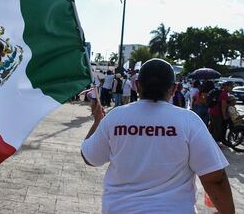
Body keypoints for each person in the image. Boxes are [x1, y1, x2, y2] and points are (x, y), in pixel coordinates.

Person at [81, 58, 234, 214]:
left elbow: (90, 158)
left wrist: (97, 121)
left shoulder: (115, 117)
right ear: (174, 88)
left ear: (137, 85)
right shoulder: (189, 121)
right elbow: (214, 178)